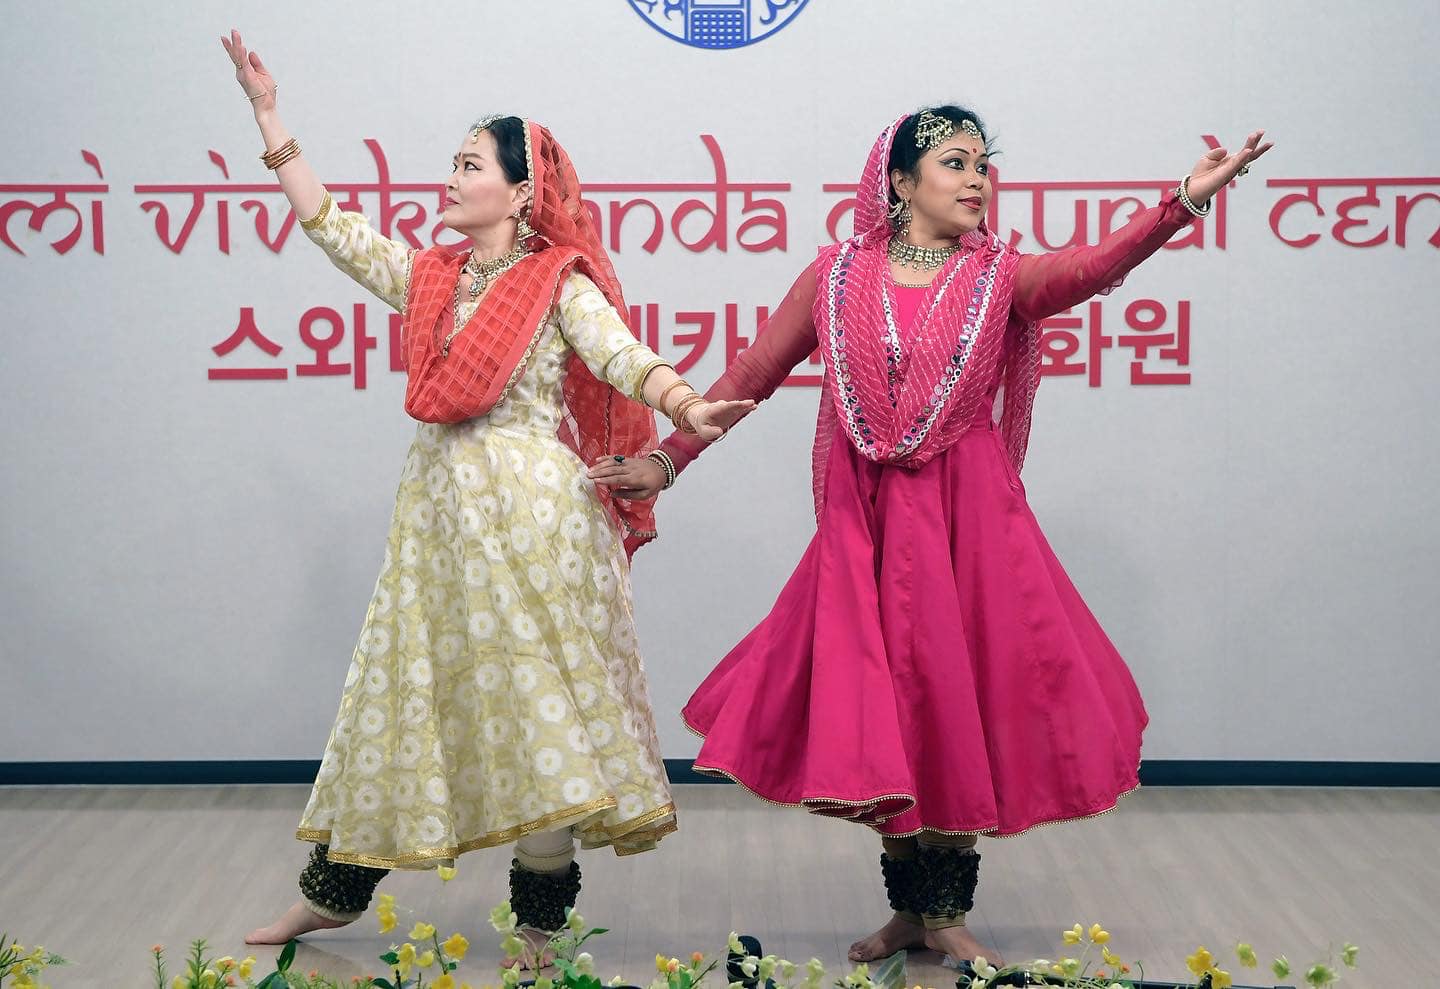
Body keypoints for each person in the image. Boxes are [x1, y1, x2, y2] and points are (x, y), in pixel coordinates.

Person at [590, 105, 1271, 966]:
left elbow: (1093, 268)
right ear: (901, 181)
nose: (977, 178)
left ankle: (946, 911)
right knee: (888, 708)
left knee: (956, 700)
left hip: (968, 522)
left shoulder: (1000, 277)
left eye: (984, 164)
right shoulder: (836, 275)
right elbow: (753, 373)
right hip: (866, 523)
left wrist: (1181, 203)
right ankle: (911, 911)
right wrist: (668, 459)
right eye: (955, 162)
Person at [217, 30, 753, 952]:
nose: (453, 178)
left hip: (533, 524)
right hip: (437, 521)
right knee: (397, 697)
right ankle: (333, 895)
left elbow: (621, 354)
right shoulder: (432, 277)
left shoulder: (556, 283)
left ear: (520, 191)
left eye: (471, 165)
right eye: (455, 162)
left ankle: (539, 928)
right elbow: (333, 229)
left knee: (538, 717)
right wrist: (270, 118)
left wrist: (686, 406)